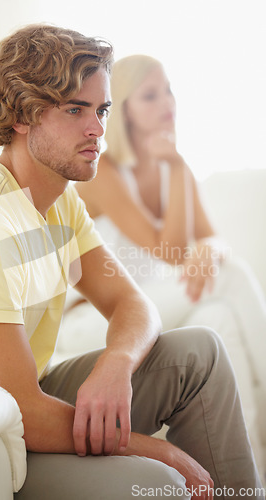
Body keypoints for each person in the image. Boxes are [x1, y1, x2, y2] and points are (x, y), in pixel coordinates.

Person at [0, 25, 263, 499]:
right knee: (161, 481)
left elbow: (131, 304)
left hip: (26, 395)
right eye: (76, 110)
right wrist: (161, 451)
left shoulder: (59, 199)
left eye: (102, 110)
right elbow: (19, 409)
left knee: (200, 351)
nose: (97, 128)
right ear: (21, 115)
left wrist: (117, 362)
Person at [59, 54, 266, 476]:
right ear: (126, 110)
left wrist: (211, 248)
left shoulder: (178, 167)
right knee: (232, 279)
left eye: (168, 89)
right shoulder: (106, 171)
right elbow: (168, 253)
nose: (167, 102)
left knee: (215, 319)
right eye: (150, 95)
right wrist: (174, 167)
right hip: (102, 320)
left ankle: (249, 469)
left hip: (160, 305)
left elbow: (211, 236)